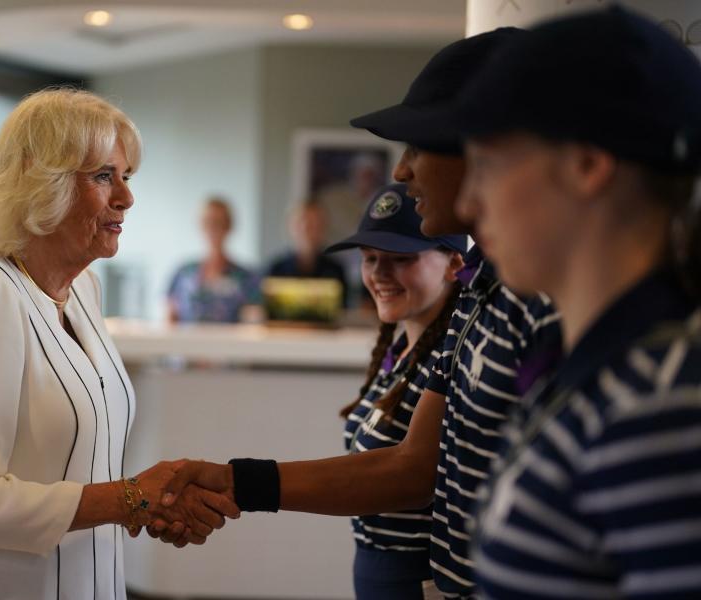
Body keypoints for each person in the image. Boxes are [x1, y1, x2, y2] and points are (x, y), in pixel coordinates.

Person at [154, 27, 561, 600]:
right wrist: (234, 479)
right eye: (371, 259)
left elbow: (411, 478)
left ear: (488, 145)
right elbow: (418, 464)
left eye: (419, 145)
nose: (402, 170)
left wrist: (236, 481)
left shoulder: (558, 298)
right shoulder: (482, 290)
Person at [0, 89, 239, 600]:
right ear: (42, 183)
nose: (126, 197)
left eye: (126, 177)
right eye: (104, 176)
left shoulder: (83, 291)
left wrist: (151, 504)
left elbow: (82, 467)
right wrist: (127, 500)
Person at [450, 7, 701, 598]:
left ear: (588, 165)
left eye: (486, 164)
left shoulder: (661, 404)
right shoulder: (595, 371)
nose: (466, 203)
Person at [328, 184, 464, 599]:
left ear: (454, 264)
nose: (379, 274)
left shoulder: (453, 356)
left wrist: (245, 483)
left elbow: (409, 478)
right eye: (370, 259)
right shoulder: (401, 350)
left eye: (401, 259)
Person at [167, 197, 262, 323]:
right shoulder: (184, 272)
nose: (213, 228)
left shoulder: (246, 277)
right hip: (187, 341)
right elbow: (170, 318)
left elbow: (253, 324)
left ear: (229, 226)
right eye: (208, 222)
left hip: (229, 342)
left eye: (218, 222)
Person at [266, 199, 349, 306]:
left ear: (323, 227)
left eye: (314, 223)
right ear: (290, 226)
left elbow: (342, 309)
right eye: (301, 222)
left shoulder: (336, 270)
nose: (306, 229)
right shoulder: (275, 269)